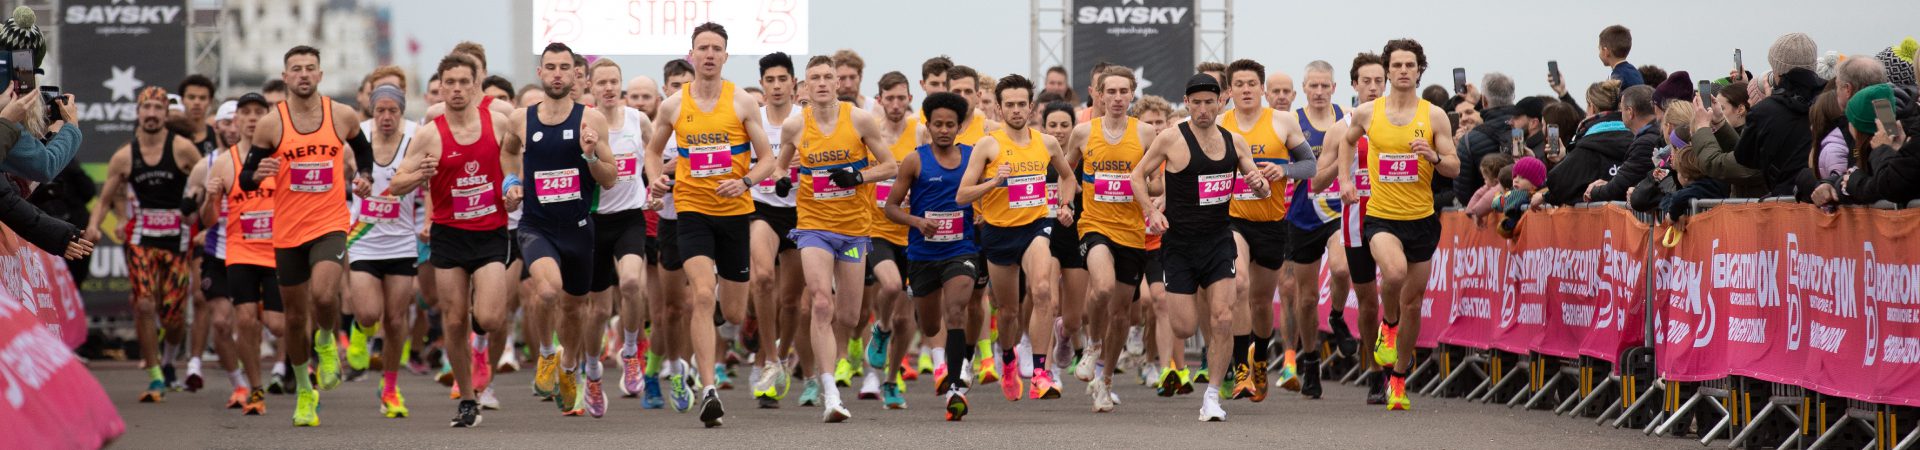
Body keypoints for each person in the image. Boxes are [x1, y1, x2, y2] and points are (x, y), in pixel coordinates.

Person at [640, 22, 780, 428]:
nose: (708, 55)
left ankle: (742, 324)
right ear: (692, 54)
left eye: (716, 48)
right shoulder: (673, 105)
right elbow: (652, 152)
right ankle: (709, 389)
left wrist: (747, 181)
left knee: (732, 313)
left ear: (725, 56)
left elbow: (768, 157)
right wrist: (656, 179)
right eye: (702, 48)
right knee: (702, 295)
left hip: (735, 214)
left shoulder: (741, 102)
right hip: (692, 211)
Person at [236, 46, 372, 427]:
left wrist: (365, 176)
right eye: (296, 69)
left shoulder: (341, 115)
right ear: (286, 77)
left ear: (321, 74)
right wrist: (259, 172)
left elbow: (364, 151)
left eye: (310, 68)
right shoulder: (271, 124)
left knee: (325, 294)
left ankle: (327, 340)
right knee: (295, 319)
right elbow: (247, 177)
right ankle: (304, 391)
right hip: (287, 230)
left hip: (330, 222)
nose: (303, 75)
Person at [1132, 72, 1270, 422]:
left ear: (1221, 101)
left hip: (1219, 240)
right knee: (1183, 326)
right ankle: (1196, 317)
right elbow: (1137, 177)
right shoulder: (1169, 139)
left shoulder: (1235, 142)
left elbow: (1258, 186)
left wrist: (1260, 185)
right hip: (1179, 245)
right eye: (1197, 103)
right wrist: (1151, 211)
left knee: (1223, 317)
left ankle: (1212, 396)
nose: (1204, 109)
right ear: (1187, 103)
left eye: (1210, 102)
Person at [388, 54, 516, 428]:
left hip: (491, 230)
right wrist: (419, 175)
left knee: (489, 317)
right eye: (450, 83)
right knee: (454, 319)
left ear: (477, 84)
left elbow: (516, 164)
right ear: (440, 88)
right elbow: (397, 184)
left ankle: (481, 349)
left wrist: (513, 188)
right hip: (449, 235)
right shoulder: (429, 133)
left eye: (465, 82)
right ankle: (466, 398)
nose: (457, 89)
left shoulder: (499, 122)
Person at [1336, 39, 1461, 411]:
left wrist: (1434, 156)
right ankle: (1386, 327)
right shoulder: (1368, 113)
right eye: (1397, 65)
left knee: (1414, 303)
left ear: (1419, 70)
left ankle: (1399, 378)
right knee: (1393, 274)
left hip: (1422, 219)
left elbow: (1454, 167)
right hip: (1381, 216)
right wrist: (1346, 180)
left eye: (1410, 65)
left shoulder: (1435, 115)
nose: (1403, 71)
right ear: (1387, 71)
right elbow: (1346, 142)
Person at [777, 55, 898, 422]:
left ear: (838, 83)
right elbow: (782, 164)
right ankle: (830, 393)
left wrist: (858, 178)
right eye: (816, 78)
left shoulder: (859, 119)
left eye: (829, 76)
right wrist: (783, 178)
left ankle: (872, 335)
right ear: (806, 86)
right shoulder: (795, 126)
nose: (824, 83)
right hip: (813, 224)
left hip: (853, 226)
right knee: (820, 303)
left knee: (848, 315)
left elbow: (890, 165)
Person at [509, 43, 619, 418]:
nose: (557, 74)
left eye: (564, 68)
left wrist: (589, 155)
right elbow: (508, 151)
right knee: (547, 289)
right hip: (536, 226)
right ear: (540, 73)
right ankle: (544, 354)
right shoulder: (521, 119)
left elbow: (611, 177)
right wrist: (512, 181)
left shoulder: (592, 119)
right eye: (550, 67)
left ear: (576, 75)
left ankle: (569, 367)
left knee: (574, 309)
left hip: (578, 228)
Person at [957, 73, 1078, 403]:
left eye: (1021, 104)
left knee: (1043, 291)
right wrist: (993, 182)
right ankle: (1008, 358)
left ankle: (1041, 371)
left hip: (1036, 226)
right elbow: (962, 195)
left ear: (1032, 107)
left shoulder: (1047, 143)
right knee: (1008, 311)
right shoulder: (988, 145)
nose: (1015, 110)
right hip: (997, 233)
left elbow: (1069, 178)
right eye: (1008, 104)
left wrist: (1064, 204)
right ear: (997, 108)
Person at [86, 86, 202, 404]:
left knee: (174, 318)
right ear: (137, 113)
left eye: (157, 108)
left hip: (177, 241)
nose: (151, 113)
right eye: (145, 107)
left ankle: (168, 359)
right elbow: (105, 198)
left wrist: (202, 218)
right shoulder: (125, 155)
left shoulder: (183, 150)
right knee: (145, 305)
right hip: (142, 241)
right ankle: (154, 375)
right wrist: (94, 226)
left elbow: (207, 183)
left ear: (166, 114)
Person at [1217, 59, 1315, 403]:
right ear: (1229, 91)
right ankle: (1240, 367)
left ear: (1262, 89)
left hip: (1272, 222)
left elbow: (1310, 165)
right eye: (1238, 84)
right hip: (1232, 220)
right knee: (1239, 284)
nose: (1245, 90)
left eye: (1251, 84)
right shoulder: (1219, 124)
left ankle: (1260, 358)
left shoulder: (1282, 121)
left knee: (1260, 301)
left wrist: (1283, 169)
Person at [884, 92, 981, 420]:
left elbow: (990, 191)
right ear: (927, 125)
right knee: (928, 324)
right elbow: (891, 207)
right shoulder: (915, 160)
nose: (943, 130)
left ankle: (955, 388)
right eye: (937, 124)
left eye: (950, 124)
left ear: (960, 126)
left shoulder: (972, 157)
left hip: (961, 249)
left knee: (956, 312)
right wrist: (916, 221)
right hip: (923, 253)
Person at [1068, 65, 1158, 412]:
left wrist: (1150, 198)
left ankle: (1105, 382)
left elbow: (1158, 180)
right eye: (1111, 92)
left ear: (1132, 94)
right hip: (1094, 224)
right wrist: (1064, 201)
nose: (1118, 98)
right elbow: (1066, 171)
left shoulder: (1147, 134)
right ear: (1099, 95)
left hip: (1133, 232)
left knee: (1121, 315)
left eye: (1124, 91)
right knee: (1102, 287)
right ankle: (1091, 346)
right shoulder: (1083, 133)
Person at [345, 84, 422, 418]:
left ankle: (390, 388)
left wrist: (428, 219)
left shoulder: (414, 139)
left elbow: (429, 180)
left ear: (401, 112)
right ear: (371, 111)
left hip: (402, 239)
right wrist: (355, 182)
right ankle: (359, 334)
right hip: (363, 238)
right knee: (368, 314)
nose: (386, 117)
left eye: (393, 111)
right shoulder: (358, 137)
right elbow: (341, 173)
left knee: (394, 319)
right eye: (380, 111)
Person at [586, 58, 657, 405]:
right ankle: (592, 371)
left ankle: (631, 352)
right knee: (598, 309)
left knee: (631, 283)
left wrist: (657, 184)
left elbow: (655, 154)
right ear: (590, 87)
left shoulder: (637, 119)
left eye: (614, 82)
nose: (609, 88)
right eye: (602, 83)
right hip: (594, 220)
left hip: (630, 217)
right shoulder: (584, 123)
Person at [744, 51, 804, 408]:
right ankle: (766, 360)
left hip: (801, 212)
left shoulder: (804, 120)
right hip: (761, 208)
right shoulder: (753, 120)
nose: (777, 86)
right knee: (763, 278)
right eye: (770, 80)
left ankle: (782, 356)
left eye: (783, 79)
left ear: (793, 83)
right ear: (763, 85)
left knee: (792, 299)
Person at [861, 70, 918, 409]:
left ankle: (892, 380)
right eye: (890, 98)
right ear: (879, 99)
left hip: (912, 231)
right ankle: (879, 328)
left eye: (902, 98)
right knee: (892, 287)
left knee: (905, 317)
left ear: (909, 98)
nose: (896, 104)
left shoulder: (920, 131)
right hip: (877, 229)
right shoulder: (871, 131)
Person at [1734, 33, 1825, 196]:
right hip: (1830, 199)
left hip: (1785, 204)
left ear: (1778, 71)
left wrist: (1766, 109)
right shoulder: (1832, 100)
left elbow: (1743, 156)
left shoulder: (1765, 111)